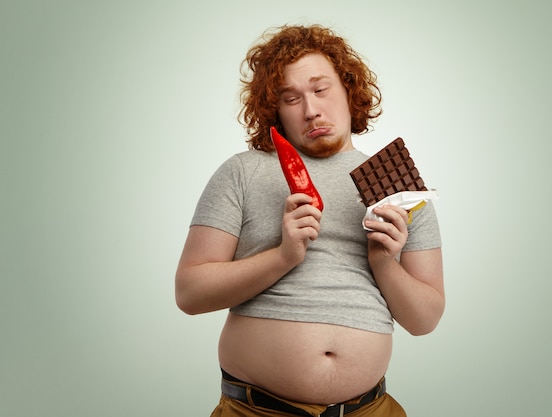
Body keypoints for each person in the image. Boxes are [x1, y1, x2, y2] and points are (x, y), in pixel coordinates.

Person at [175, 24, 444, 417]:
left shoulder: (401, 189)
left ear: (349, 90)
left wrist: (383, 261)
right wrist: (283, 256)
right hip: (257, 411)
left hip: (369, 410)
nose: (311, 109)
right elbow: (189, 294)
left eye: (321, 89)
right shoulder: (243, 173)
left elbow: (424, 320)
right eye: (290, 98)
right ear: (275, 110)